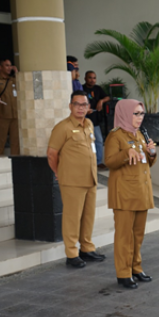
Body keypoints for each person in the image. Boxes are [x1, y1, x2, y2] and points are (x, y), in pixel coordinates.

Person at [47, 90, 106, 268]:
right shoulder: (62, 127)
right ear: (70, 106)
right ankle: (71, 253)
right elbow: (51, 154)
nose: (81, 108)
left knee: (88, 216)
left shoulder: (88, 124)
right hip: (72, 181)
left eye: (84, 104)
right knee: (72, 218)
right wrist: (58, 172)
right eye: (77, 104)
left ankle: (86, 248)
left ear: (88, 107)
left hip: (90, 178)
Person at [105, 99, 156, 289]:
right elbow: (109, 161)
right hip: (124, 194)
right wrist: (126, 153)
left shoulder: (140, 135)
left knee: (138, 235)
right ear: (125, 114)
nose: (139, 118)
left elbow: (145, 163)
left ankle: (136, 268)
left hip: (141, 192)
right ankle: (123, 273)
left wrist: (151, 153)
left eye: (141, 114)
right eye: (136, 113)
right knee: (124, 236)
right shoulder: (115, 136)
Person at [0, 58, 20, 156]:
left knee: (16, 141)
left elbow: (24, 87)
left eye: (10, 65)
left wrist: (17, 73)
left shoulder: (13, 80)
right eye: (7, 65)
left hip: (15, 115)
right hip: (2, 115)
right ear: (0, 67)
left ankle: (15, 160)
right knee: (1, 140)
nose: (9, 67)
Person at [83, 70, 111, 169]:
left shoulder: (98, 89)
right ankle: (86, 163)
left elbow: (108, 97)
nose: (92, 80)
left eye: (94, 78)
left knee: (98, 140)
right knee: (85, 141)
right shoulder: (81, 89)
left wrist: (101, 100)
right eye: (90, 77)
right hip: (84, 119)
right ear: (85, 78)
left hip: (95, 120)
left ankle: (98, 162)